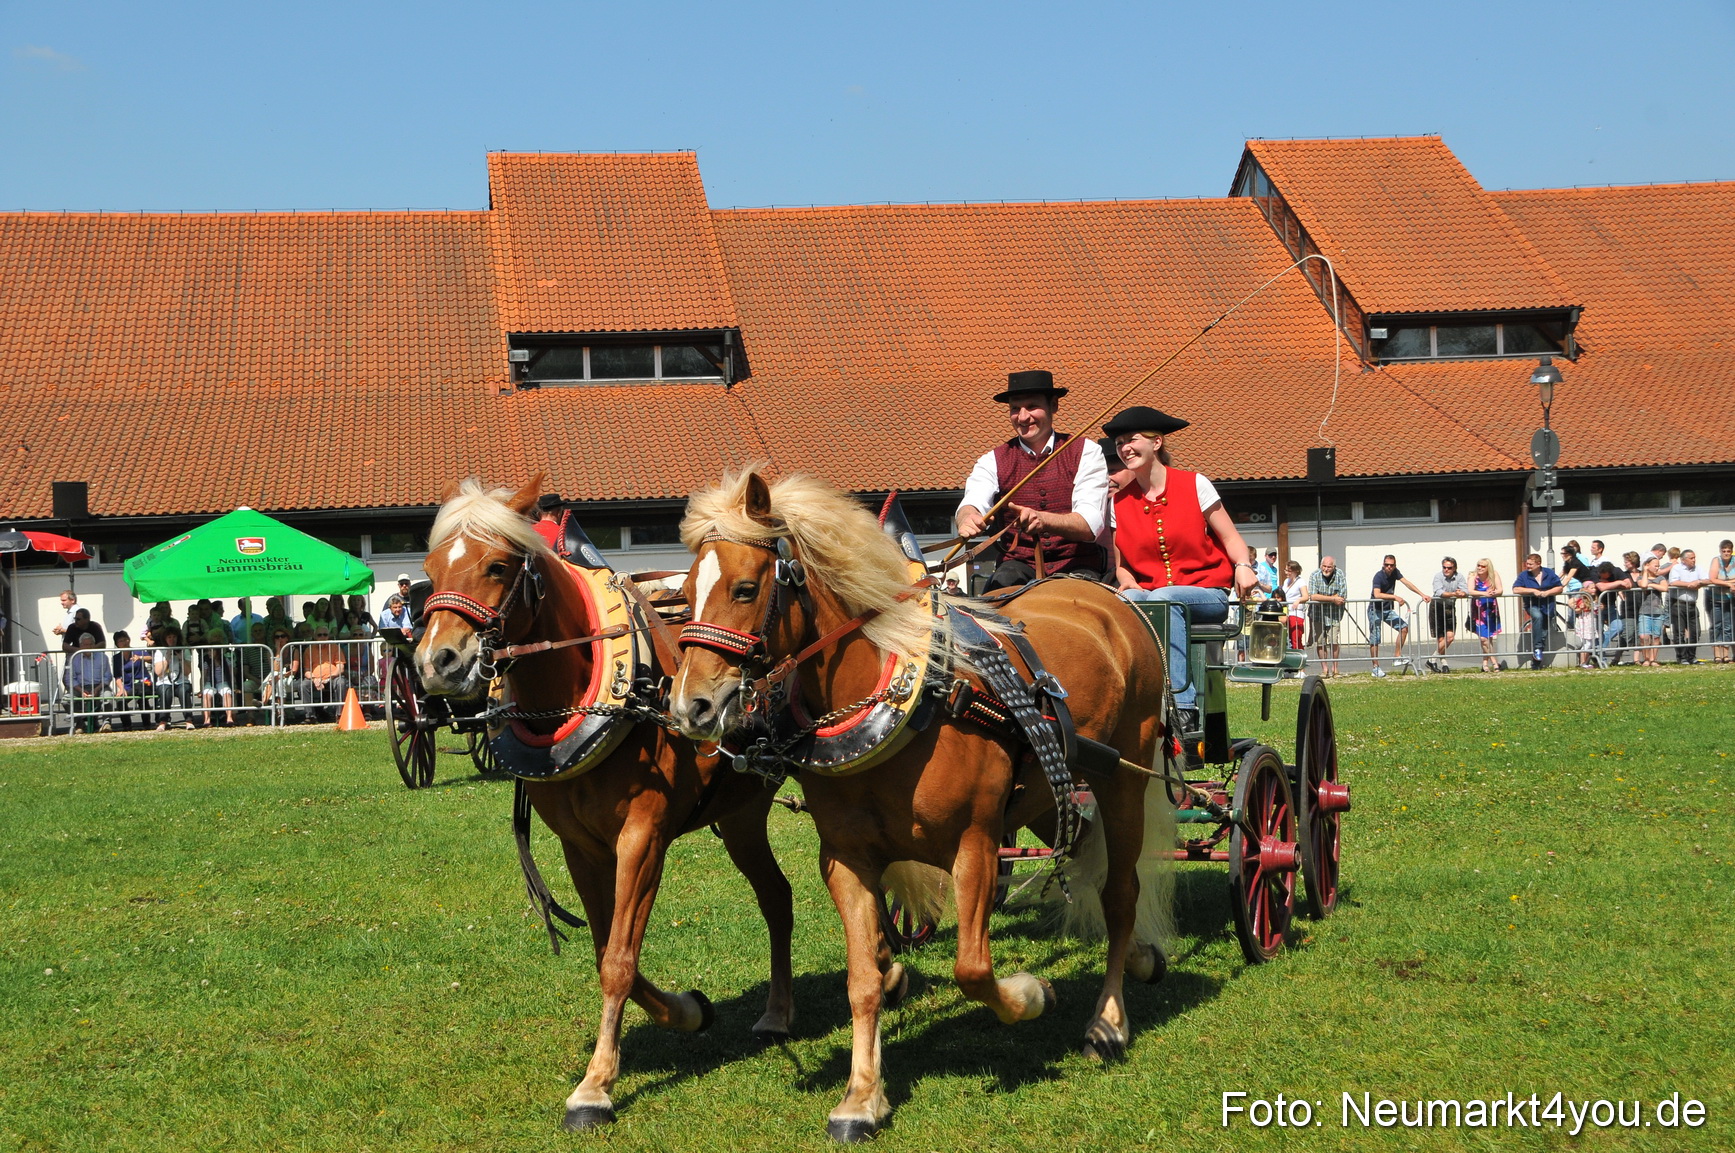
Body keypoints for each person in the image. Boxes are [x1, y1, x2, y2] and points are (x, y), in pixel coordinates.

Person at [1105, 405, 1256, 728]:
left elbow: (1231, 538)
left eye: (1130, 440)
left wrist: (1243, 565)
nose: (1124, 448)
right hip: (1151, 596)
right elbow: (1122, 566)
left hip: (1207, 595)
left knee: (1163, 598)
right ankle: (1127, 704)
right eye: (1119, 443)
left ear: (1156, 442)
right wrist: (1127, 581)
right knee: (1119, 604)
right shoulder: (1119, 502)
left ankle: (1183, 706)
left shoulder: (1194, 484)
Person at [956, 370, 1111, 590]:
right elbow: (973, 501)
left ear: (1054, 405)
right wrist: (967, 517)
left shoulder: (1086, 451)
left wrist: (1044, 520)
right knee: (992, 609)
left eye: (1032, 406)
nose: (1022, 417)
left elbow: (1090, 523)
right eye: (1015, 409)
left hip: (1077, 566)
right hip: (1015, 567)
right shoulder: (992, 460)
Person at [1368, 555, 1430, 677]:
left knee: (1403, 628)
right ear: (1383, 565)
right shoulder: (1378, 576)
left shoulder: (1395, 573)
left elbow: (1407, 583)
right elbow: (1377, 594)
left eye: (1391, 565)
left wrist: (1422, 594)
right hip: (1375, 610)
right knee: (1375, 638)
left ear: (1395, 566)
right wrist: (1395, 597)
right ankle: (1375, 668)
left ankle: (1397, 656)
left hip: (1387, 609)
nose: (1389, 567)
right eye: (1387, 565)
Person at [1512, 553, 1563, 669]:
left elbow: (1559, 587)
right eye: (1527, 564)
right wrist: (1533, 591)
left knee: (1544, 632)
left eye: (1530, 564)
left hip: (1547, 606)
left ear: (1538, 564)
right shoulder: (1524, 575)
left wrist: (1547, 593)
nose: (1528, 566)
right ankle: (1537, 649)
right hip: (1532, 605)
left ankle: (1537, 659)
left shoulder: (1548, 573)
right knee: (1538, 617)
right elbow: (1515, 589)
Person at [1307, 556, 1348, 677]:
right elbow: (1313, 596)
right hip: (1317, 614)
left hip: (1334, 615)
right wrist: (1332, 598)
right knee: (1320, 642)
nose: (1326, 569)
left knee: (1334, 641)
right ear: (1321, 566)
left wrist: (1323, 597)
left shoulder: (1340, 574)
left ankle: (1335, 669)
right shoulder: (1314, 575)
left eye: (1329, 567)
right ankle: (1325, 669)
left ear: (1334, 567)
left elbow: (1342, 596)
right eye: (1324, 566)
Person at [1426, 557, 1468, 673]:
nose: (1446, 570)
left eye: (1449, 568)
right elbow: (1439, 592)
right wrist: (1454, 593)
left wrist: (1462, 593)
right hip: (1437, 606)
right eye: (1444, 567)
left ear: (1454, 568)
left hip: (1450, 607)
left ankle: (1432, 659)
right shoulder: (1438, 577)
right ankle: (1444, 664)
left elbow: (1466, 590)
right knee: (1441, 639)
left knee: (1450, 637)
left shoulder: (1459, 577)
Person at [1668, 549, 1708, 664]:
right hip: (1678, 604)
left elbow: (1707, 579)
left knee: (1696, 631)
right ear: (1683, 560)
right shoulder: (1677, 568)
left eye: (1694, 558)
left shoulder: (1698, 568)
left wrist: (1698, 582)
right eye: (1691, 558)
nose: (1694, 560)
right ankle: (1682, 657)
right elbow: (1673, 582)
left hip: (1692, 604)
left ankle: (1692, 657)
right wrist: (1688, 585)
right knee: (1679, 632)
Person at [65, 632, 109, 734]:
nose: (88, 647)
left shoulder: (102, 657)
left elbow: (107, 677)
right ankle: (79, 723)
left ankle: (106, 723)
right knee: (66, 700)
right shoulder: (74, 658)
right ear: (80, 646)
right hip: (80, 687)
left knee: (108, 696)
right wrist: (80, 690)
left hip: (99, 686)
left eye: (90, 644)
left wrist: (97, 689)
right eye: (85, 645)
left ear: (94, 645)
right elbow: (69, 678)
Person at [152, 625, 193, 729]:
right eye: (169, 637)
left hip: (181, 681)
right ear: (165, 639)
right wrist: (167, 659)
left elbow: (187, 672)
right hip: (165, 681)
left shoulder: (184, 650)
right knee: (165, 691)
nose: (172, 640)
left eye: (174, 637)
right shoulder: (160, 651)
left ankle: (188, 720)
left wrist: (180, 659)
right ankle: (163, 721)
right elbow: (159, 672)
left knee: (184, 690)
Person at [110, 631, 152, 730]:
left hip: (143, 682)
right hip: (129, 685)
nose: (125, 642)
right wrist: (121, 689)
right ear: (117, 644)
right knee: (120, 700)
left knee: (142, 696)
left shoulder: (137, 652)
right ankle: (127, 725)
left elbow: (151, 658)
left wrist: (141, 658)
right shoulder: (116, 658)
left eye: (126, 639)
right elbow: (117, 677)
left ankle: (147, 724)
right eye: (121, 641)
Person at [1468, 558, 1503, 672]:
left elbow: (1500, 590)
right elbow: (1471, 591)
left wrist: (1494, 593)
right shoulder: (1473, 576)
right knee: (1483, 639)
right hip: (1478, 612)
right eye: (1478, 565)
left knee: (1489, 639)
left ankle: (1484, 664)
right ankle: (1494, 662)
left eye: (1483, 566)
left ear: (1488, 567)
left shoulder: (1494, 574)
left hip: (1491, 610)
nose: (1480, 568)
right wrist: (1484, 593)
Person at [1636, 558, 1668, 667]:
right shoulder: (1640, 577)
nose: (1657, 568)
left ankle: (1653, 659)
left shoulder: (1660, 578)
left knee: (1656, 637)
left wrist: (1652, 585)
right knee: (1644, 636)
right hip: (1645, 611)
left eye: (1658, 565)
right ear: (1647, 565)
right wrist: (1645, 572)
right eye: (1655, 565)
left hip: (1658, 611)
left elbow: (1664, 588)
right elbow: (1644, 585)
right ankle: (1646, 658)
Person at [1709, 539, 1735, 665]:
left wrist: (1726, 582)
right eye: (1724, 551)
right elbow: (1713, 578)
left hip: (1730, 600)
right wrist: (1729, 583)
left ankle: (1725, 655)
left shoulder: (1734, 560)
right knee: (1716, 626)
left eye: (1728, 551)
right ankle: (1717, 655)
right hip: (1716, 599)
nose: (1726, 553)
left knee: (1728, 627)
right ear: (1720, 551)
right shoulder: (1716, 560)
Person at [1281, 560, 1308, 658]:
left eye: (1289, 571)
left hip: (1296, 613)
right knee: (1288, 640)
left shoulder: (1300, 581)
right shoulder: (1286, 581)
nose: (1287, 573)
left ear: (1296, 571)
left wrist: (1298, 600)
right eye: (1286, 570)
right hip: (1286, 613)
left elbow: (1306, 596)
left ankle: (1301, 665)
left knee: (1296, 639)